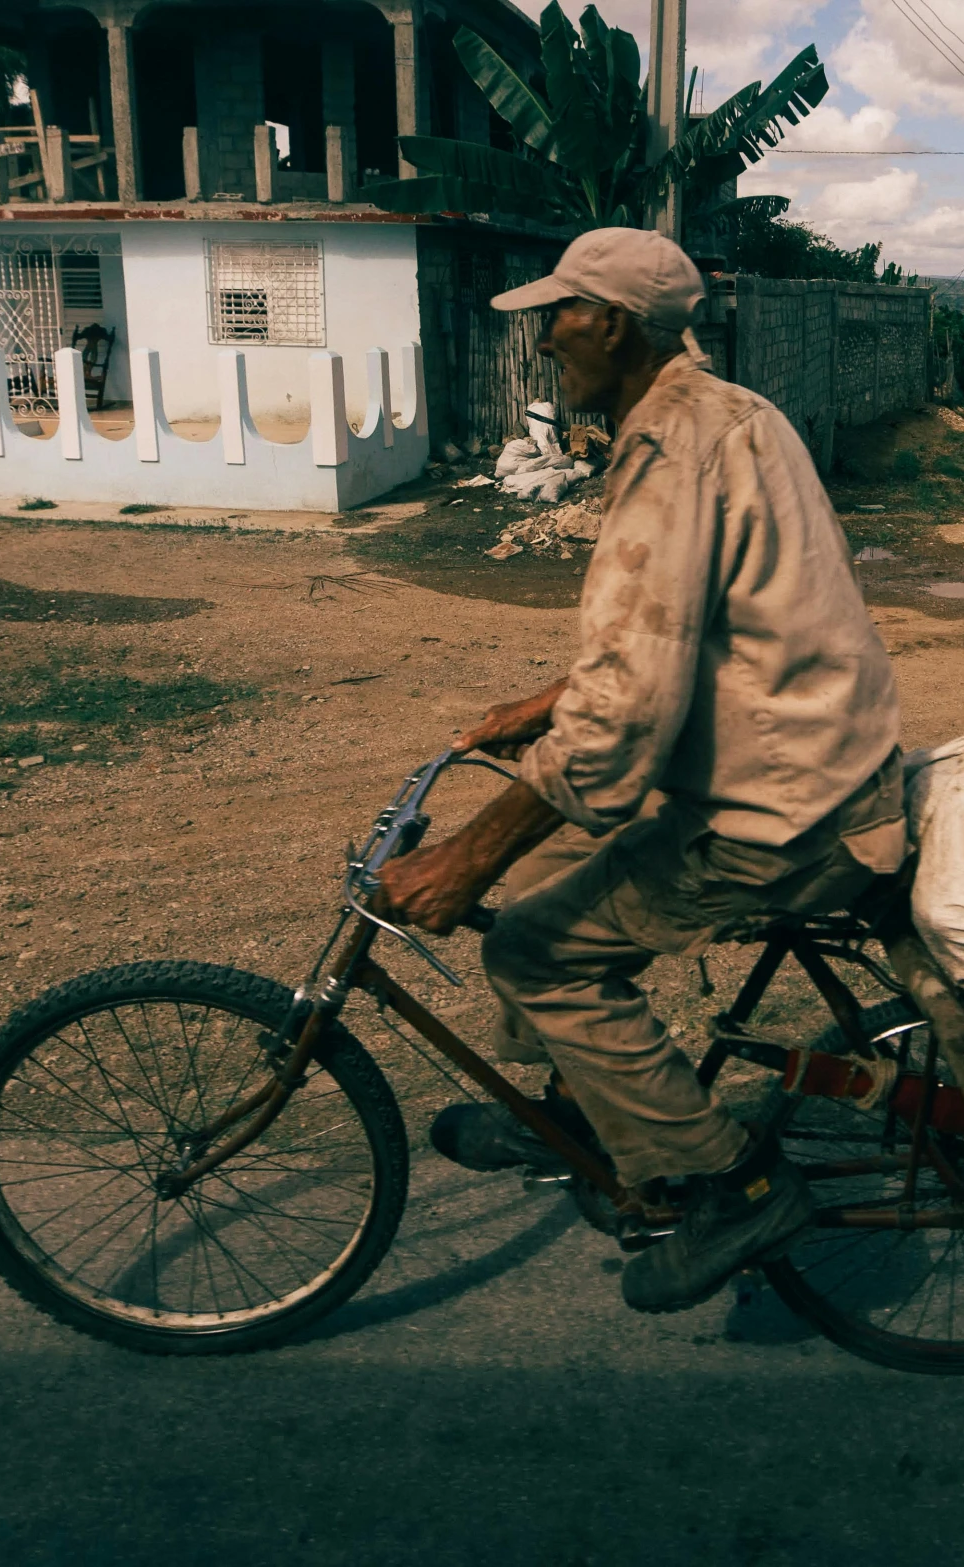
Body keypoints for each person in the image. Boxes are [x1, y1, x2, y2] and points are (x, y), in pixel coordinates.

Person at [375, 228, 906, 1314]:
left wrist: (467, 856)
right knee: (547, 891)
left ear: (608, 323)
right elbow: (686, 634)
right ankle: (592, 1115)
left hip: (779, 808)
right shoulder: (731, 412)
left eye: (556, 316)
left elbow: (621, 715)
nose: (542, 340)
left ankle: (736, 1184)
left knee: (530, 942)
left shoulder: (673, 449)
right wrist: (539, 707)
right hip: (806, 759)